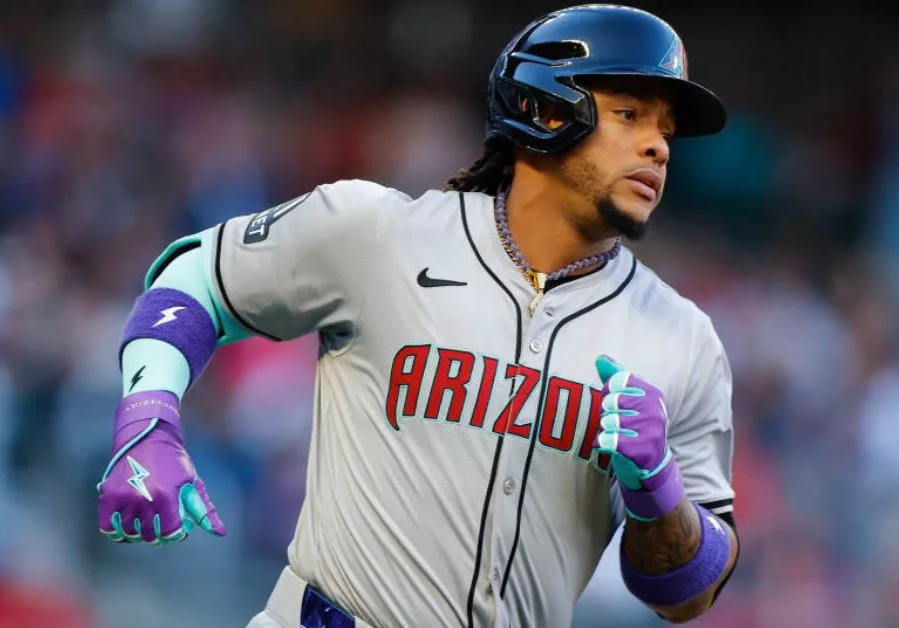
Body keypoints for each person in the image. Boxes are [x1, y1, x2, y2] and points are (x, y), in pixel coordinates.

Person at [96, 5, 740, 627]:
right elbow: (200, 279)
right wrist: (148, 414)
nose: (658, 146)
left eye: (666, 130)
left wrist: (662, 497)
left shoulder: (683, 337)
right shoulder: (381, 234)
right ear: (545, 108)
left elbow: (689, 595)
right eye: (630, 115)